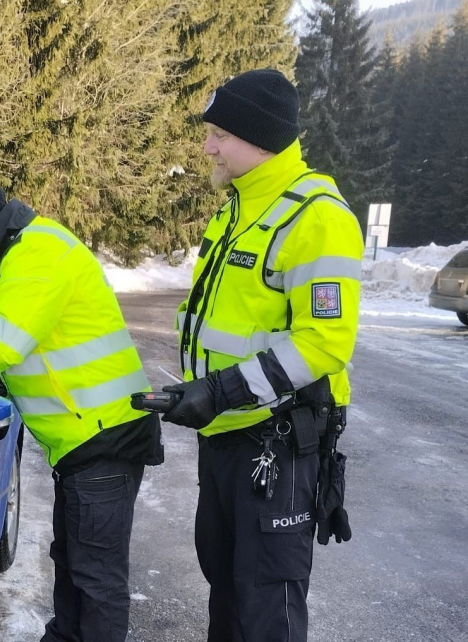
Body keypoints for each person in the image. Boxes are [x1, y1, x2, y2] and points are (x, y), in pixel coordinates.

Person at [160, 69, 361, 641]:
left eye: (220, 133)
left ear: (260, 136)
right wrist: (196, 391)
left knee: (265, 605)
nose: (208, 146)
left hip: (277, 444)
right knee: (224, 586)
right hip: (225, 436)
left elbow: (323, 343)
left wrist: (218, 390)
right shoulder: (236, 210)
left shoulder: (316, 216)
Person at [0, 181, 163, 642]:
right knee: (73, 563)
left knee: (97, 579)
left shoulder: (36, 254)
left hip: (104, 436)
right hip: (84, 439)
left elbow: (0, 346)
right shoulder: (27, 252)